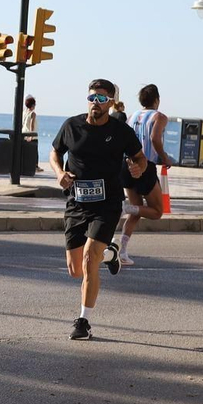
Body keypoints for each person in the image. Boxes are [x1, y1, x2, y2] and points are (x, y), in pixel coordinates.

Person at [48, 78, 146, 341]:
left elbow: (140, 158)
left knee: (91, 258)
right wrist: (59, 173)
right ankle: (110, 252)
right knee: (75, 270)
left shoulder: (121, 131)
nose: (95, 103)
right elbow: (54, 152)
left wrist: (139, 168)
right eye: (92, 98)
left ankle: (83, 322)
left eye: (102, 99)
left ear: (111, 102)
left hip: (107, 204)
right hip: (76, 203)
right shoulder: (72, 126)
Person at [118, 84, 167, 266]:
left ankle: (122, 252)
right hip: (145, 165)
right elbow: (155, 139)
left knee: (137, 209)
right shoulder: (159, 116)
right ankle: (126, 208)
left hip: (127, 164)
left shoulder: (132, 116)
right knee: (156, 212)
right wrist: (166, 157)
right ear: (157, 100)